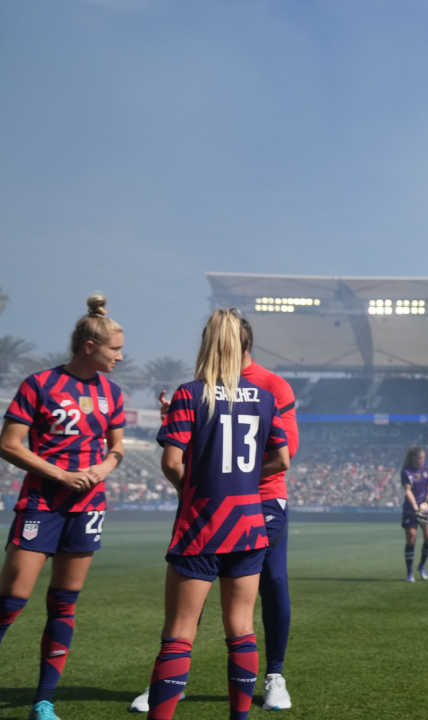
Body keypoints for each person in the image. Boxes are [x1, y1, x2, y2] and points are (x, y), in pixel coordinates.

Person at [131, 317, 299, 713]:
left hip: (204, 521)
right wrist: (238, 480)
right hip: (248, 522)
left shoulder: (191, 394)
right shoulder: (263, 396)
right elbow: (282, 458)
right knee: (241, 631)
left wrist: (200, 486)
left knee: (178, 633)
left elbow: (172, 463)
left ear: (208, 344)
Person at [0, 294, 126, 720]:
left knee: (64, 604)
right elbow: (8, 445)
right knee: (11, 601)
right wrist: (60, 475)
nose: (121, 357)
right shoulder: (39, 385)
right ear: (89, 347)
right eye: (115, 349)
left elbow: (117, 449)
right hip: (41, 503)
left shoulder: (113, 393)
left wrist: (101, 469)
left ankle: (43, 702)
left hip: (88, 506)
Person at [400, 446, 428, 582]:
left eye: (423, 458)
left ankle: (421, 565)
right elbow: (407, 490)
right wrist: (415, 506)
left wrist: (426, 501)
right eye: (419, 458)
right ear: (413, 458)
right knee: (411, 539)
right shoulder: (406, 471)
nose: (422, 460)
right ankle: (410, 573)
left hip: (425, 507)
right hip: (410, 508)